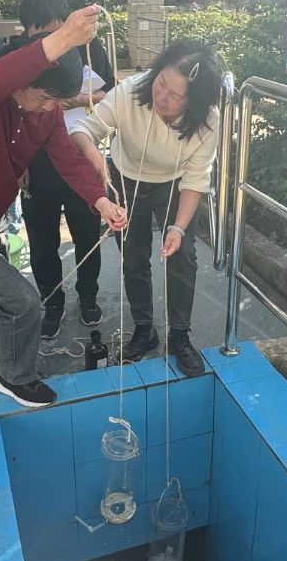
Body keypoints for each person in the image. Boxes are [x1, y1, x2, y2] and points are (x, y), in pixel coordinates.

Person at [0, 5, 127, 408]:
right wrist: (64, 38)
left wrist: (102, 201)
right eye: (42, 98)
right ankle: (17, 378)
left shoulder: (47, 114)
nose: (47, 108)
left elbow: (69, 159)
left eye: (54, 102)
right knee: (23, 303)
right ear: (23, 81)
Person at [69, 40, 223, 378]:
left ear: (194, 102)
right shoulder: (130, 92)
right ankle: (143, 328)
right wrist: (96, 159)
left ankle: (179, 335)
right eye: (161, 82)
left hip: (174, 184)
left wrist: (178, 228)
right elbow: (82, 128)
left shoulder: (208, 122)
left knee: (182, 255)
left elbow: (196, 180)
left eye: (175, 95)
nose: (162, 96)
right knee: (133, 255)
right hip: (125, 179)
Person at [0, 0, 116, 339]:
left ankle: (88, 295)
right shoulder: (12, 56)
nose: (51, 40)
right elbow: (4, 115)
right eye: (41, 32)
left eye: (57, 29)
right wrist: (16, 165)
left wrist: (72, 99)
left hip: (79, 152)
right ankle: (52, 302)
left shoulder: (87, 47)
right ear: (27, 29)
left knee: (86, 235)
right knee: (42, 242)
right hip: (34, 163)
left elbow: (110, 92)